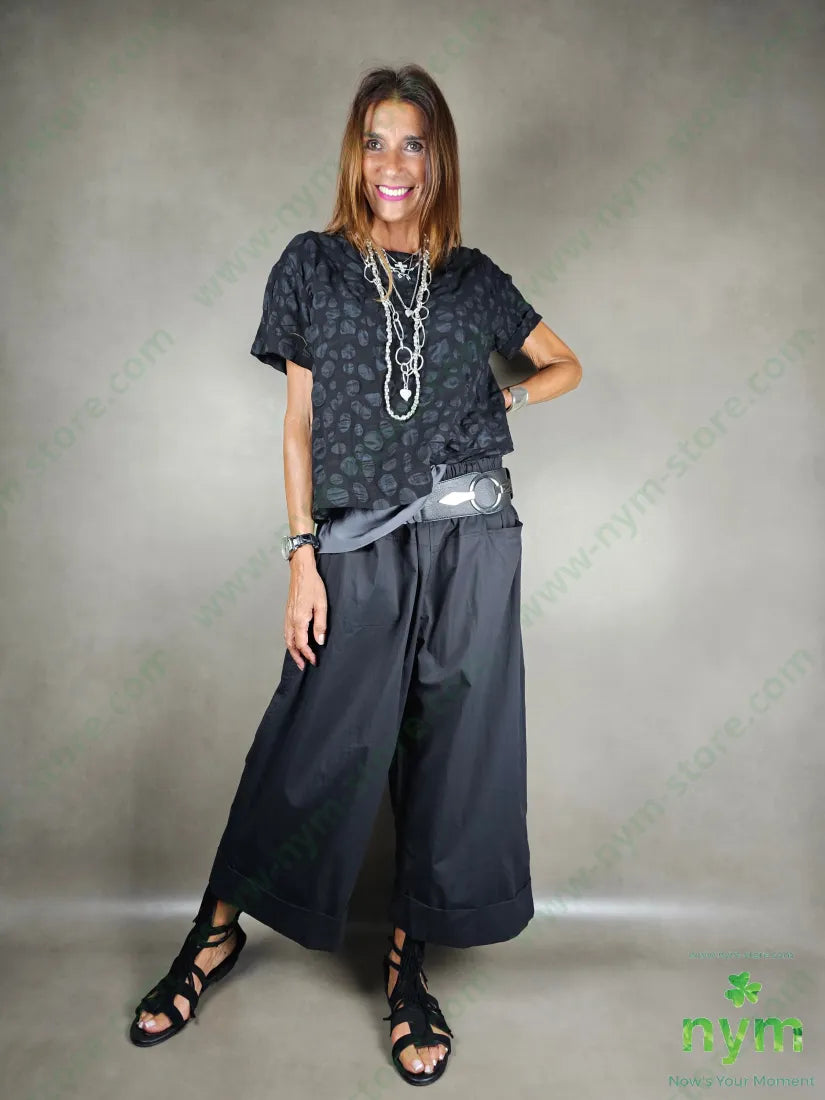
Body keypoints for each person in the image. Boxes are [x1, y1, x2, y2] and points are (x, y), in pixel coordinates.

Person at [129, 63, 582, 1085]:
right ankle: (212, 934)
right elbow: (297, 425)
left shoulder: (474, 279)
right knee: (310, 740)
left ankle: (405, 969)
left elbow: (565, 363)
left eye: (413, 143)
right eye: (376, 141)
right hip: (354, 544)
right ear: (355, 154)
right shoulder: (313, 266)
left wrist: (506, 399)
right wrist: (303, 557)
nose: (393, 163)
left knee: (449, 752)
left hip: (473, 542)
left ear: (437, 159)